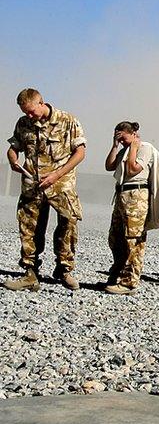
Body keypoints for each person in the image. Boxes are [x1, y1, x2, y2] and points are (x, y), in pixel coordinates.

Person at [5, 89, 87, 292]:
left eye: (31, 111)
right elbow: (14, 145)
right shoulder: (23, 123)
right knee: (29, 228)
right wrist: (12, 157)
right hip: (32, 184)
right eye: (25, 112)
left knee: (68, 224)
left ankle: (64, 270)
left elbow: (80, 152)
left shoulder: (67, 120)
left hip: (61, 185)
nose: (29, 116)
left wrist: (57, 175)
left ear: (42, 102)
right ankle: (30, 273)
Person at [103, 121, 153, 294]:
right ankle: (118, 270)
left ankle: (129, 282)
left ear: (133, 134)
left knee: (133, 240)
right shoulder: (123, 149)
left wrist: (133, 147)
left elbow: (132, 170)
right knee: (115, 237)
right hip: (122, 196)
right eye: (119, 139)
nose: (123, 142)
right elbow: (109, 166)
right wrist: (115, 146)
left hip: (136, 196)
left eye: (124, 138)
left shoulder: (145, 148)